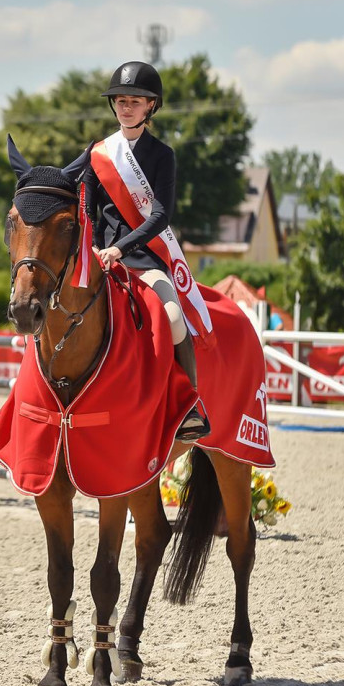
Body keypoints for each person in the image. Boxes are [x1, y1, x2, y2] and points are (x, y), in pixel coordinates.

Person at [83, 60, 211, 443]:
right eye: (120, 100)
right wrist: (94, 247)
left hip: (144, 259)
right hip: (99, 258)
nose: (126, 107)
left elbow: (160, 215)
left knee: (172, 316)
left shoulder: (162, 155)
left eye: (135, 101)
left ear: (151, 106)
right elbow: (87, 207)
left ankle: (189, 405)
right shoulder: (98, 154)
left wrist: (120, 249)